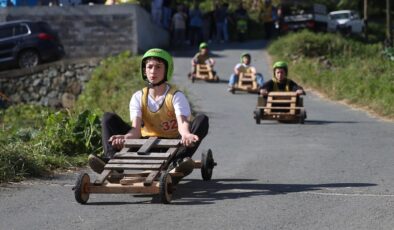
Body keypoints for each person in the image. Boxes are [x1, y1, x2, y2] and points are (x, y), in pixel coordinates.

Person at [88, 48, 209, 177]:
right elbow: (135, 130)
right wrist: (125, 138)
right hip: (144, 145)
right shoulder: (138, 97)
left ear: (167, 70)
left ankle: (178, 162)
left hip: (172, 147)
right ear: (144, 70)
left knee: (202, 120)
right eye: (149, 67)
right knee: (108, 118)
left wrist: (186, 135)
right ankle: (112, 162)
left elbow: (182, 122)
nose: (153, 71)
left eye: (158, 67)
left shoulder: (176, 96)